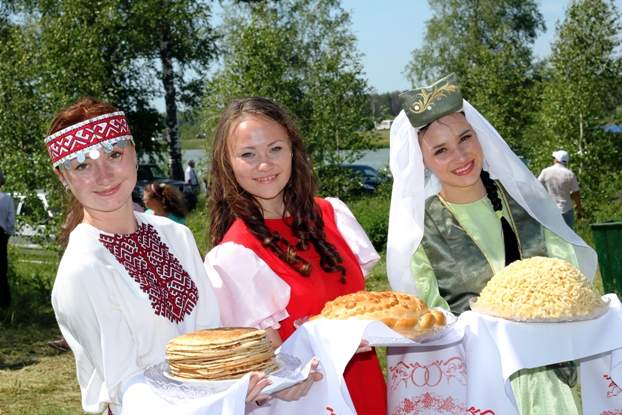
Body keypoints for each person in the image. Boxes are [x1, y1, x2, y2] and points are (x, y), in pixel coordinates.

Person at [46, 97, 320, 414]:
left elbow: (211, 342)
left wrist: (271, 382)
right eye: (82, 165)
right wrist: (227, 399)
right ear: (63, 176)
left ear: (134, 153)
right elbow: (127, 389)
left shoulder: (176, 235)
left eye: (115, 155)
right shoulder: (82, 269)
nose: (103, 175)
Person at [387, 74, 598, 415]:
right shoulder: (421, 230)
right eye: (440, 150)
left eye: (465, 138)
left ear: (479, 135)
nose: (460, 156)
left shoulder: (524, 202)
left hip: (547, 376)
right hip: (478, 383)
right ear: (421, 160)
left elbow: (568, 275)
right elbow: (429, 316)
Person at [204, 96, 387, 415]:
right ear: (228, 163)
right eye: (248, 154)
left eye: (275, 148)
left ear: (293, 150)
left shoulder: (332, 214)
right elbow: (269, 365)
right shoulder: (234, 256)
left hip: (365, 386)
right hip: (309, 402)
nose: (265, 164)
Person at [538, 150, 583, 229]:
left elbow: (537, 186)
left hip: (550, 209)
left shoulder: (545, 172)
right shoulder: (570, 174)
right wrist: (579, 209)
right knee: (567, 233)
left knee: (552, 233)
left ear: (556, 160)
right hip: (566, 208)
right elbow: (576, 194)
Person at [0, 171, 15, 308]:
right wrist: (7, 234)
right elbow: (11, 221)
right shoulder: (7, 199)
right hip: (1, 234)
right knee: (1, 268)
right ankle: (4, 301)